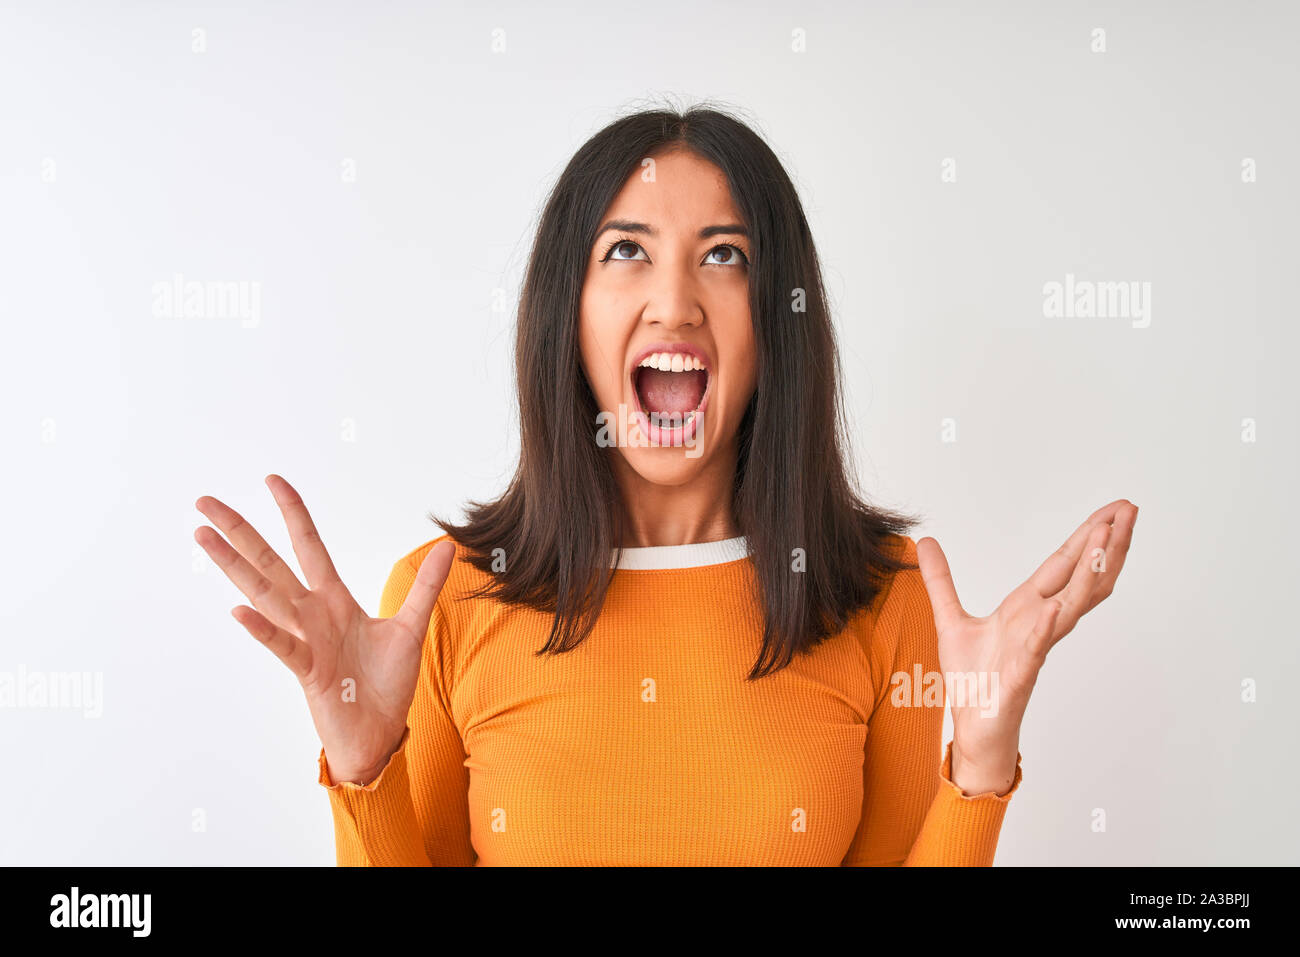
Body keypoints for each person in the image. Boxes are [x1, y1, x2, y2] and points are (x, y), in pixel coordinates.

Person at [193, 105, 1137, 866]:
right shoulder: (446, 601)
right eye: (626, 250)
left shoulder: (881, 599)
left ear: (777, 323)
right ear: (568, 315)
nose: (676, 299)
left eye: (725, 254)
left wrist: (980, 761)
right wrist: (364, 767)